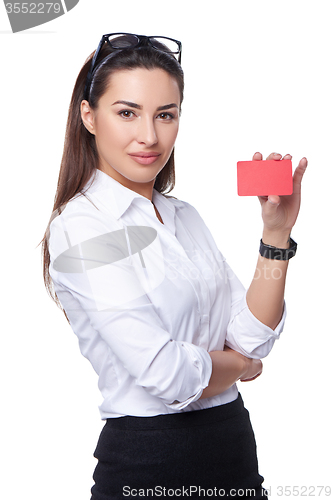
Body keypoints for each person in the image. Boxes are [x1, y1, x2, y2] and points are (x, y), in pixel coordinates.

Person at [41, 33, 307, 499]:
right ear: (89, 116)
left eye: (166, 114)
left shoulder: (184, 216)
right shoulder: (81, 230)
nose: (150, 135)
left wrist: (275, 236)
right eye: (127, 113)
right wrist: (243, 365)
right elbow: (168, 375)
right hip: (149, 467)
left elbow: (250, 334)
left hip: (235, 456)